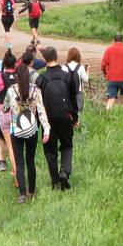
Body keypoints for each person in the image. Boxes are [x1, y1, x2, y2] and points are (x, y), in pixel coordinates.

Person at [3, 63, 50, 204]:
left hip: (15, 130)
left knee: (19, 161)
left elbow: (5, 108)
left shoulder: (11, 90)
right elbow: (41, 111)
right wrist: (47, 129)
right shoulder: (36, 90)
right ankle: (32, 191)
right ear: (29, 76)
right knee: (30, 161)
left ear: (16, 76)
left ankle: (22, 194)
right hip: (32, 129)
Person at [36, 46, 79, 190]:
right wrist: (75, 117)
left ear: (45, 59)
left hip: (48, 120)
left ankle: (55, 182)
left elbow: (38, 103)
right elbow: (73, 99)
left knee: (50, 151)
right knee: (67, 145)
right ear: (57, 56)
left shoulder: (41, 78)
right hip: (66, 117)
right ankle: (65, 172)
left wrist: (38, 123)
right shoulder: (67, 76)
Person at [64, 48, 88, 125]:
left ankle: (69, 124)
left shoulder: (64, 67)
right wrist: (87, 71)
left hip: (66, 92)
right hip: (78, 92)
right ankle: (76, 124)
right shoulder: (80, 67)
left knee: (67, 110)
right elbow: (85, 80)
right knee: (77, 111)